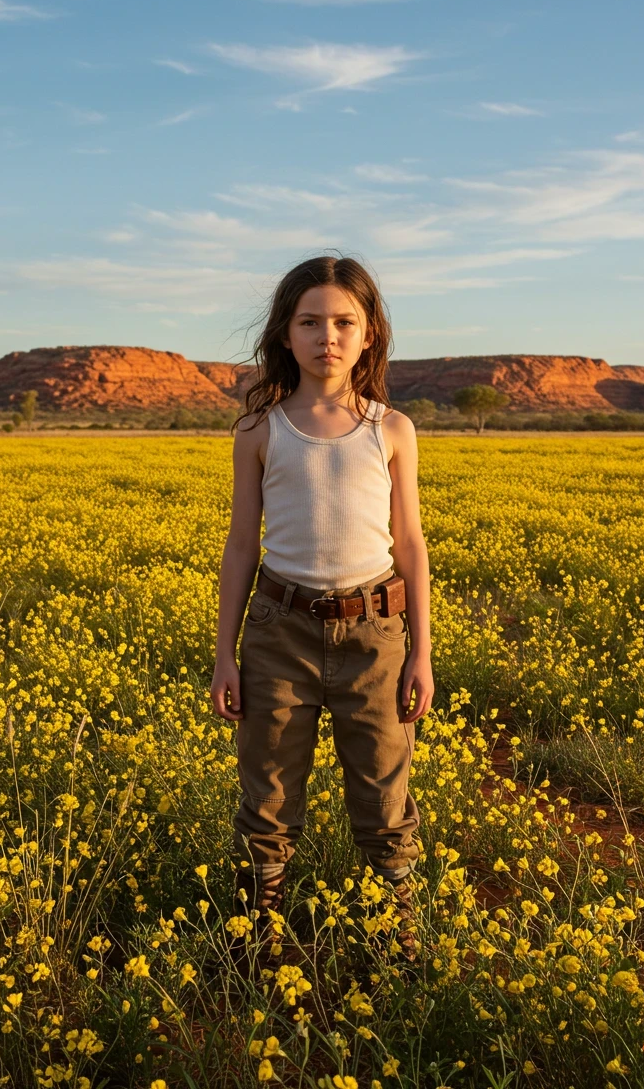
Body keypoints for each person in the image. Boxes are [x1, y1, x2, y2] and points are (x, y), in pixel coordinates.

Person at [209, 253, 434, 965]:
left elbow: (410, 544)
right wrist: (224, 655)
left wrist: (422, 652)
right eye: (310, 322)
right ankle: (260, 930)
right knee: (268, 786)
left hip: (374, 635)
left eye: (344, 322)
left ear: (369, 335)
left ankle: (392, 934)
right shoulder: (260, 430)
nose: (326, 337)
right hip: (279, 632)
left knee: (382, 787)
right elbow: (241, 546)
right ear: (285, 333)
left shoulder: (390, 428)